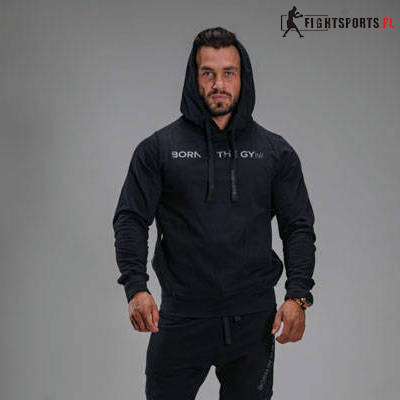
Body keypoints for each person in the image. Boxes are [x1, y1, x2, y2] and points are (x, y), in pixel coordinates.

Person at [112, 26, 316, 400]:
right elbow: (131, 218)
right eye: (208, 73)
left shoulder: (275, 152)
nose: (218, 84)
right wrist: (135, 287)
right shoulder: (158, 149)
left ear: (243, 78)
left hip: (253, 322)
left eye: (228, 73)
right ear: (194, 78)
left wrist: (298, 295)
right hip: (180, 318)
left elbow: (298, 227)